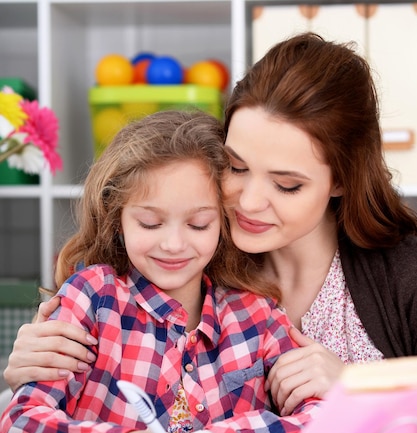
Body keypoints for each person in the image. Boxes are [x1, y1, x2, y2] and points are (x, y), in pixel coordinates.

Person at [4, 32, 417, 411]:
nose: (249, 203)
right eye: (236, 167)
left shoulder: (402, 270)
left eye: (287, 185)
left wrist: (359, 381)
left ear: (342, 180)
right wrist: (32, 367)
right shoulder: (190, 253)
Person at [0, 109, 320, 433]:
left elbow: (323, 420)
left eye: (198, 224)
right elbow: (21, 422)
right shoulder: (93, 298)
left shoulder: (255, 314)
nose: (173, 244)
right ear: (117, 219)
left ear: (223, 221)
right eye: (150, 223)